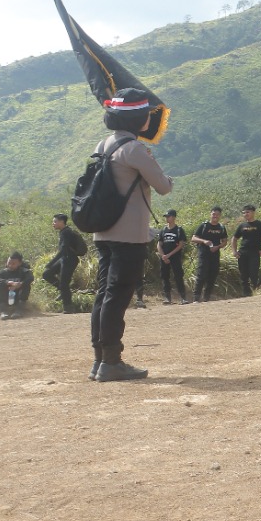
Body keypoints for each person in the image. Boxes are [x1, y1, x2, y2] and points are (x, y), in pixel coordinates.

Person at [90, 87, 174, 381]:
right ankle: (112, 363)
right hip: (129, 234)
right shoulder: (134, 150)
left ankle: (100, 360)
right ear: (138, 119)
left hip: (103, 232)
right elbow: (163, 186)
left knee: (104, 295)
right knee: (118, 295)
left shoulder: (104, 145)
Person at [44, 213, 89, 313]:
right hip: (64, 259)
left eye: (55, 221)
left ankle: (68, 307)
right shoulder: (63, 232)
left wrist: (51, 263)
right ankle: (64, 291)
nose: (53, 223)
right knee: (47, 274)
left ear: (61, 222)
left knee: (64, 283)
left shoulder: (66, 232)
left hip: (69, 260)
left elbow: (63, 251)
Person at [233, 206, 261, 295]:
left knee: (253, 273)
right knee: (243, 275)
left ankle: (257, 291)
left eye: (247, 212)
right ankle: (246, 294)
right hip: (242, 253)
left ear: (253, 212)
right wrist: (235, 251)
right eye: (244, 212)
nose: (245, 214)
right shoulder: (242, 226)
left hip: (255, 253)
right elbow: (234, 239)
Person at [190, 207, 228, 302]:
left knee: (213, 275)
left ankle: (206, 298)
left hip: (215, 254)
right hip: (203, 253)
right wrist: (204, 241)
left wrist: (218, 246)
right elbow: (193, 238)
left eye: (217, 214)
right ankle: (196, 298)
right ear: (210, 214)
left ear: (220, 216)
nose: (215, 216)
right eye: (213, 214)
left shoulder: (221, 228)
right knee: (201, 274)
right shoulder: (204, 226)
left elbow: (224, 242)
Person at [157, 210, 190, 304]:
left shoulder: (179, 230)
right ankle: (167, 298)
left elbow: (181, 244)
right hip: (164, 257)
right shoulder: (163, 230)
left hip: (175, 257)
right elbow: (159, 244)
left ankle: (183, 298)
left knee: (178, 276)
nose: (167, 218)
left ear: (174, 217)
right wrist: (163, 255)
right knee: (164, 277)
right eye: (166, 216)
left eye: (169, 216)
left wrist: (169, 255)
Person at [0, 253, 34, 319]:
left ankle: (19, 311)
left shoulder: (24, 271)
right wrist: (8, 282)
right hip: (6, 296)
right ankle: (3, 312)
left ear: (19, 263)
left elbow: (30, 278)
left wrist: (20, 284)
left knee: (26, 286)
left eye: (13, 263)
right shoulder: (2, 272)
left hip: (19, 296)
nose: (10, 265)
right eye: (9, 263)